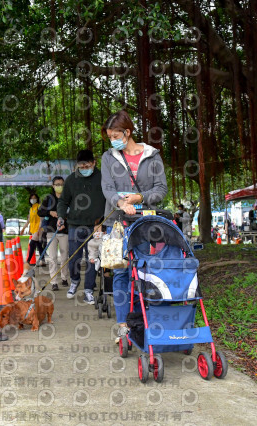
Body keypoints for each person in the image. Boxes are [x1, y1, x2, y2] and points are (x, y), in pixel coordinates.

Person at [99, 110, 168, 343]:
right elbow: (107, 188)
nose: (112, 140)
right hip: (118, 223)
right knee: (120, 272)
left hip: (145, 222)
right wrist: (121, 203)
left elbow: (161, 189)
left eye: (115, 136)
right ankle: (123, 326)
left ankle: (141, 322)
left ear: (127, 132)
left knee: (143, 271)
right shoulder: (108, 157)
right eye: (110, 137)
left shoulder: (152, 155)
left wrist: (140, 197)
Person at [57, 150, 106, 304]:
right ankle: (75, 280)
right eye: (81, 166)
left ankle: (88, 290)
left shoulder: (103, 178)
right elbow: (63, 201)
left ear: (94, 162)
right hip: (74, 225)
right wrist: (60, 216)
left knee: (92, 259)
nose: (84, 168)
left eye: (87, 165)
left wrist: (103, 222)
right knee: (74, 258)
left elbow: (110, 200)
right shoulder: (71, 179)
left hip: (96, 226)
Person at [38, 176, 70, 291]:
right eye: (57, 184)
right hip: (51, 231)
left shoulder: (68, 197)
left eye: (61, 184)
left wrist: (65, 218)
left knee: (64, 257)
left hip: (64, 231)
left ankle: (64, 277)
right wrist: (50, 212)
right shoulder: (49, 198)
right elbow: (40, 212)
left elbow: (73, 212)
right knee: (52, 258)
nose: (59, 186)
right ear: (53, 186)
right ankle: (54, 282)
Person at [21, 194, 46, 266]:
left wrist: (39, 230)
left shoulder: (39, 207)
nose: (33, 199)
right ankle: (43, 260)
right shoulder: (31, 209)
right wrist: (23, 228)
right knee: (38, 245)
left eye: (34, 198)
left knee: (32, 243)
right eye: (31, 198)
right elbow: (29, 220)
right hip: (33, 229)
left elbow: (41, 219)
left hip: (39, 229)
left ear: (37, 199)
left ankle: (28, 260)